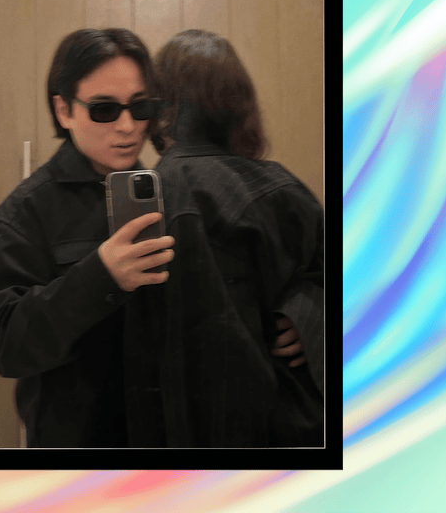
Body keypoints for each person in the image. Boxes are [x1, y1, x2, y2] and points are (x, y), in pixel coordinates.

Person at [0, 28, 308, 448]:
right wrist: (99, 277)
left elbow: (240, 286)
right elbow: (7, 347)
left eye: (141, 107)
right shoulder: (22, 216)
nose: (128, 127)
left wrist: (296, 319)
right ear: (64, 110)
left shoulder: (174, 189)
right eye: (104, 110)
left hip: (177, 436)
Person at [139, 29, 324, 447]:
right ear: (240, 104)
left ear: (163, 106)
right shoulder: (281, 188)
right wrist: (307, 317)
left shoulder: (143, 199)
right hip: (285, 427)